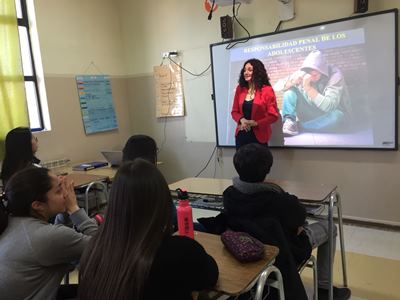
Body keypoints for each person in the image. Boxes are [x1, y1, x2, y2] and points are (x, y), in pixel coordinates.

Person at [222, 143, 351, 300]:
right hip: (284, 250)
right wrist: (297, 228)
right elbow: (300, 216)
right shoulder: (278, 199)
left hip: (247, 246)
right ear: (268, 169)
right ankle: (324, 288)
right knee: (330, 227)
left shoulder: (229, 194)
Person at [79, 159, 218, 300]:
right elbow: (211, 275)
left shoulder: (94, 248)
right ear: (164, 203)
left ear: (114, 204)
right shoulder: (180, 251)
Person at [0, 167, 98, 300]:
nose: (65, 194)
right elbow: (102, 249)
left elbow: (58, 238)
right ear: (38, 205)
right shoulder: (44, 236)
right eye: (59, 190)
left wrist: (65, 214)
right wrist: (74, 209)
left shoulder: (13, 221)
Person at [280, 50, 351, 136]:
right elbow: (277, 86)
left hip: (327, 115)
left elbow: (329, 106)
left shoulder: (335, 75)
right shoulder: (302, 73)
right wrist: (292, 82)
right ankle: (289, 121)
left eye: (316, 72)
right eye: (310, 71)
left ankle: (300, 126)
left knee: (337, 116)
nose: (312, 74)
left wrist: (308, 88)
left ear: (322, 70)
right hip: (310, 111)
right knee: (290, 92)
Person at [231, 58, 279, 149]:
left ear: (257, 72)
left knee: (259, 163)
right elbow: (234, 112)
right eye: (244, 70)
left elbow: (273, 116)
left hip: (259, 137)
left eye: (250, 70)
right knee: (241, 163)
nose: (246, 72)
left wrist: (255, 123)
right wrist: (242, 120)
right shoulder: (240, 89)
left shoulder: (267, 90)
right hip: (241, 136)